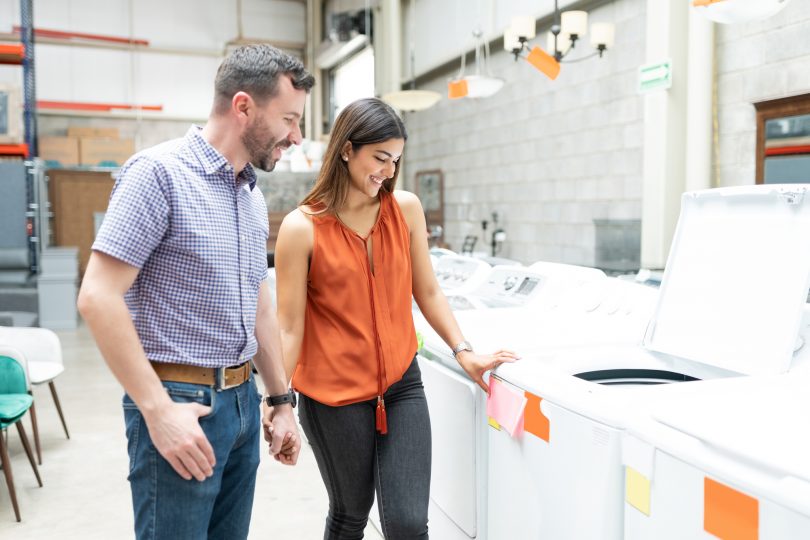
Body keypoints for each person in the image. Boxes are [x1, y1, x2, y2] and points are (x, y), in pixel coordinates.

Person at [77, 44, 314, 539]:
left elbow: (258, 301)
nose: (296, 136)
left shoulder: (249, 193)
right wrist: (157, 411)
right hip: (181, 402)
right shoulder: (157, 174)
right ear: (243, 106)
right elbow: (98, 297)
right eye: (289, 120)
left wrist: (280, 400)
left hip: (243, 404)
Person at [271, 97, 518, 539]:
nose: (387, 171)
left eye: (395, 160)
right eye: (379, 158)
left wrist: (465, 351)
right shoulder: (301, 228)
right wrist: (278, 401)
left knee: (406, 522)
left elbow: (426, 290)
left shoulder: (404, 210)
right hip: (333, 399)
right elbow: (289, 326)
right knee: (350, 514)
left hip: (402, 386)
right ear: (347, 149)